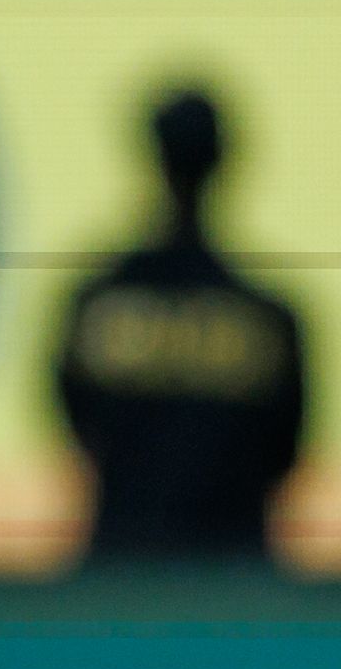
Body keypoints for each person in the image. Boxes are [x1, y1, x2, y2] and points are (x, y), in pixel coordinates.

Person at [54, 83, 308, 561]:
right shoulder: (269, 316)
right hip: (237, 575)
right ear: (225, 162)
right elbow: (287, 452)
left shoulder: (97, 303)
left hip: (119, 570)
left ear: (153, 159)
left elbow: (73, 427)